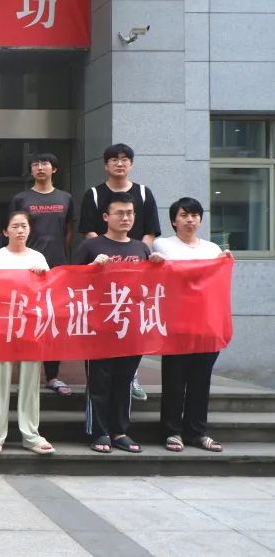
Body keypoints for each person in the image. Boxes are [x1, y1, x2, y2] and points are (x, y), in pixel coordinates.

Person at [73, 191, 165, 454]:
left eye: (130, 213)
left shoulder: (141, 248)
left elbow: (150, 289)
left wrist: (157, 267)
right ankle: (99, 432)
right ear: (106, 217)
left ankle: (120, 431)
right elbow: (71, 283)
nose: (126, 218)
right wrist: (91, 268)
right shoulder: (91, 247)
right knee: (99, 382)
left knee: (124, 381)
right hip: (99, 327)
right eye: (120, 213)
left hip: (131, 326)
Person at [78, 143, 161, 401]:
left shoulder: (144, 193)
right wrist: (109, 254)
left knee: (131, 329)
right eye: (114, 159)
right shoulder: (94, 194)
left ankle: (132, 378)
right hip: (104, 280)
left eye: (125, 159)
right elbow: (89, 231)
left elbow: (150, 232)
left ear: (131, 164)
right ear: (106, 165)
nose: (119, 163)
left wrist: (136, 258)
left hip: (134, 277)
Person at [154, 197, 233, 453]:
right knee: (174, 380)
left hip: (206, 324)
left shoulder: (212, 249)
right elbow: (176, 275)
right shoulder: (163, 245)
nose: (190, 220)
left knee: (201, 381)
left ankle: (196, 432)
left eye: (195, 215)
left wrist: (222, 262)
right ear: (173, 221)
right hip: (177, 324)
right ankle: (172, 431)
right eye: (184, 215)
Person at [0, 211, 55, 455]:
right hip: (1, 323)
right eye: (15, 226)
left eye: (24, 226)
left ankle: (31, 434)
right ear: (5, 231)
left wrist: (41, 278)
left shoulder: (38, 258)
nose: (20, 230)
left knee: (31, 381)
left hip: (30, 324)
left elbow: (48, 291)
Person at [9, 153, 75, 397]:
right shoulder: (21, 198)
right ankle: (26, 375)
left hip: (55, 269)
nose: (40, 167)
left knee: (52, 321)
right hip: (26, 267)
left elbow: (69, 231)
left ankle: (53, 375)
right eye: (35, 164)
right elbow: (15, 227)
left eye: (44, 163)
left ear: (54, 169)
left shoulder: (65, 198)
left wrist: (59, 256)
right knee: (25, 319)